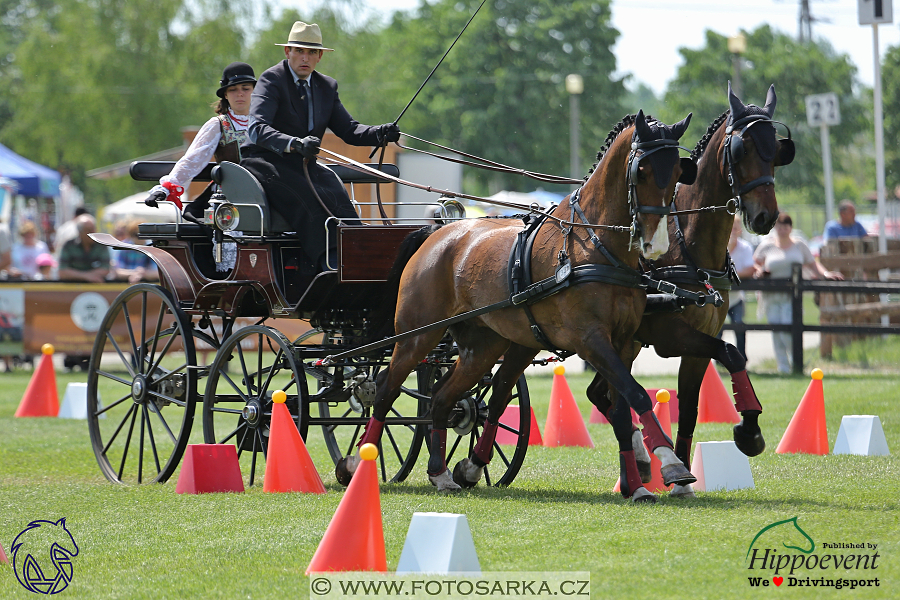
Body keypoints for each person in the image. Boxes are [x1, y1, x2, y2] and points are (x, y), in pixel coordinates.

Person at [241, 21, 401, 271]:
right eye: (299, 51)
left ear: (320, 56)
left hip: (304, 163)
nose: (305, 57)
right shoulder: (271, 80)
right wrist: (293, 143)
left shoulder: (326, 86)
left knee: (338, 197)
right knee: (309, 197)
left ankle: (360, 260)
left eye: (312, 52)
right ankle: (330, 264)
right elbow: (257, 129)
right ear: (288, 52)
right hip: (266, 161)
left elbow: (349, 130)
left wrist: (379, 133)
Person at [148, 62, 257, 219]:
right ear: (225, 95)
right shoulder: (218, 124)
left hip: (266, 195)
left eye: (245, 88)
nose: (240, 94)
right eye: (233, 89)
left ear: (254, 91)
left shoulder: (267, 123)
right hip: (229, 198)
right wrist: (166, 188)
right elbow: (192, 159)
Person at [753, 213, 842, 373]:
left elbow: (812, 265)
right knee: (777, 330)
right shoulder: (767, 246)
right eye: (779, 226)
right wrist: (759, 271)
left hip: (792, 296)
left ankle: (796, 362)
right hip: (771, 295)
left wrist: (826, 274)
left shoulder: (799, 245)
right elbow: (755, 263)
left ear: (791, 228)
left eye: (785, 226)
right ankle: (783, 367)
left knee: (787, 328)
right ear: (775, 228)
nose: (782, 229)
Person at [722, 216, 755, 360]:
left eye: (734, 228)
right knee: (717, 329)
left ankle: (741, 358)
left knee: (739, 326)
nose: (731, 231)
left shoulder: (745, 247)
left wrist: (729, 275)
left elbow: (750, 269)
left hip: (736, 298)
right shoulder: (718, 247)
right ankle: (720, 359)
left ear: (739, 230)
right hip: (720, 297)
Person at [58, 215, 110, 283]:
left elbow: (106, 269)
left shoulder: (101, 245)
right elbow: (62, 272)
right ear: (80, 232)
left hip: (98, 287)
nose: (93, 233)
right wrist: (86, 276)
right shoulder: (68, 246)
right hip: (73, 288)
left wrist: (83, 275)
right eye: (89, 230)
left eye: (93, 229)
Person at [111, 219, 158, 284]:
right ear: (130, 235)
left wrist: (143, 274)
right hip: (124, 285)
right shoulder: (122, 247)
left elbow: (157, 273)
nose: (140, 238)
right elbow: (117, 271)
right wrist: (134, 273)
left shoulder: (153, 249)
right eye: (136, 234)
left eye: (143, 234)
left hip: (149, 285)